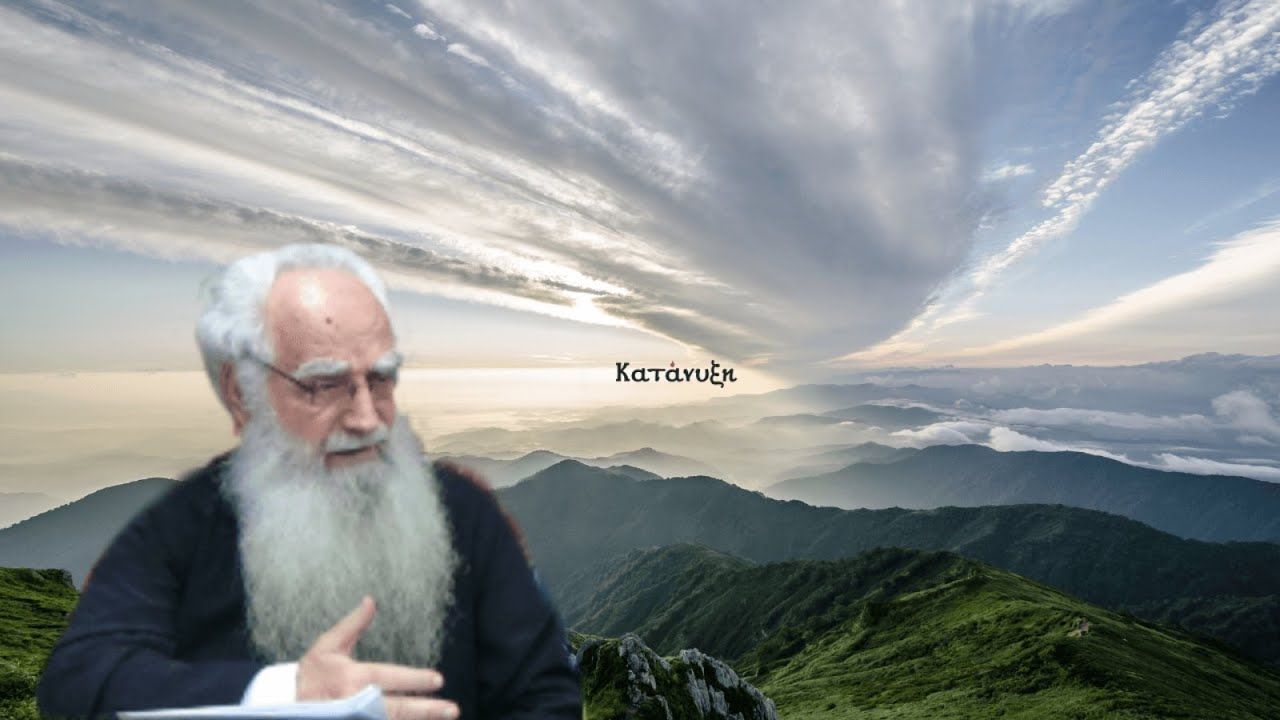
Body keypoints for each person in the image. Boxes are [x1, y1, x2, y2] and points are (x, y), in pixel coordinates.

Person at [36, 244, 581, 720]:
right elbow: (79, 678)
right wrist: (284, 694)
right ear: (241, 392)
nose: (367, 419)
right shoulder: (185, 527)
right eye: (325, 384)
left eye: (380, 378)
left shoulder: (462, 511)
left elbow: (543, 691)